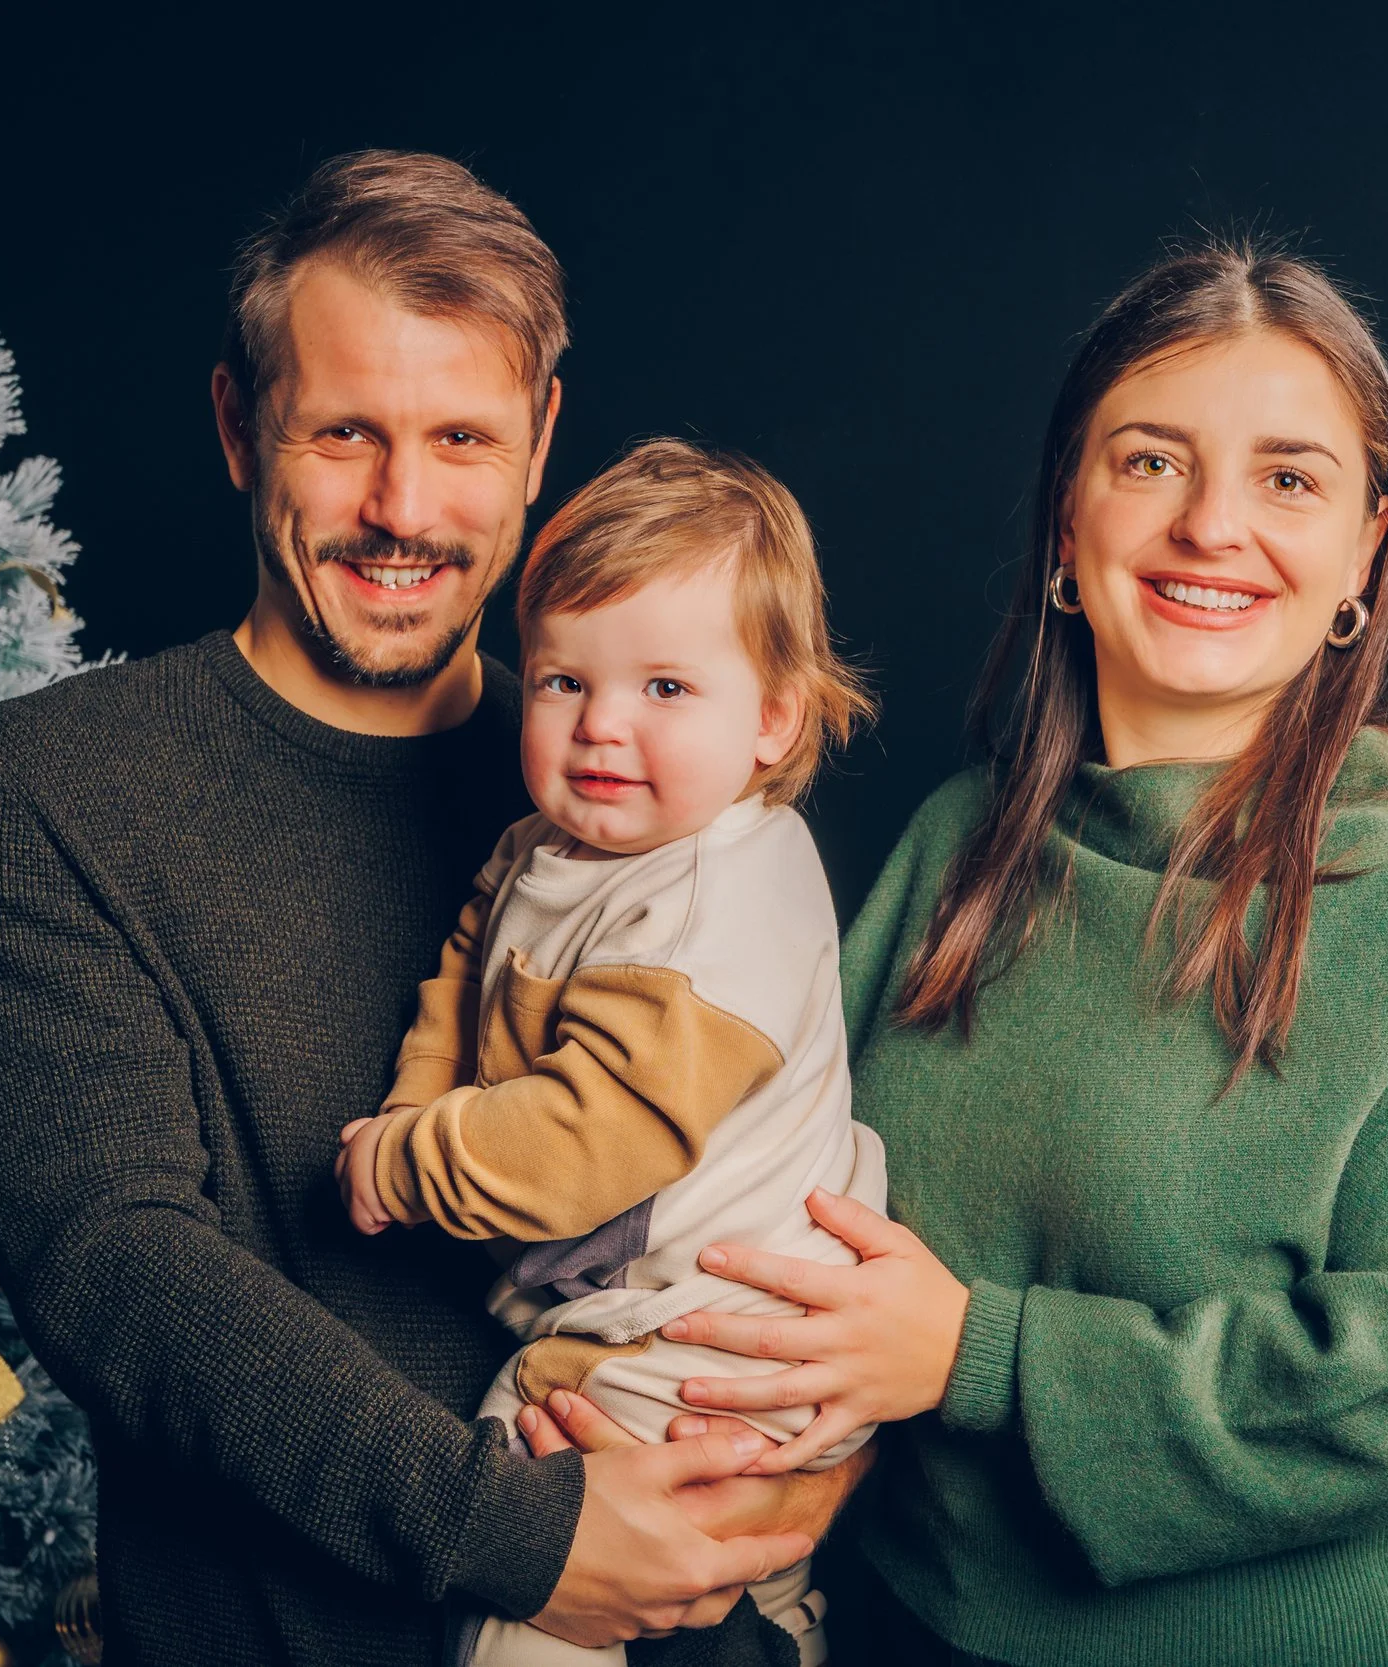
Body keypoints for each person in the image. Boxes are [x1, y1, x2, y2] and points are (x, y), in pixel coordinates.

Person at [0, 151, 857, 1667]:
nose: (401, 506)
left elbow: (798, 1158)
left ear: (542, 438)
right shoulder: (42, 795)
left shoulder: (653, 781)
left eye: (461, 437)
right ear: (240, 428)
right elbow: (119, 1268)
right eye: (343, 432)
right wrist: (523, 1532)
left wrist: (840, 1424)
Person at [647, 239, 1388, 1666]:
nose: (1213, 523)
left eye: (1289, 477)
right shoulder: (963, 842)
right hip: (895, 1628)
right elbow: (777, 1191)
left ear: (1366, 550)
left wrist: (981, 1353)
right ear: (1068, 522)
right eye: (1151, 461)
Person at [334, 440, 885, 1666]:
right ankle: (773, 1614)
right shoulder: (556, 840)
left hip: (711, 1338)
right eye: (561, 682)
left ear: (773, 717)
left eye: (666, 690)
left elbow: (585, 1143)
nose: (602, 728)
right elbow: (467, 964)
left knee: (527, 1543)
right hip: (642, 1309)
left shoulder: (720, 903)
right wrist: (414, 1101)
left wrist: (402, 1163)